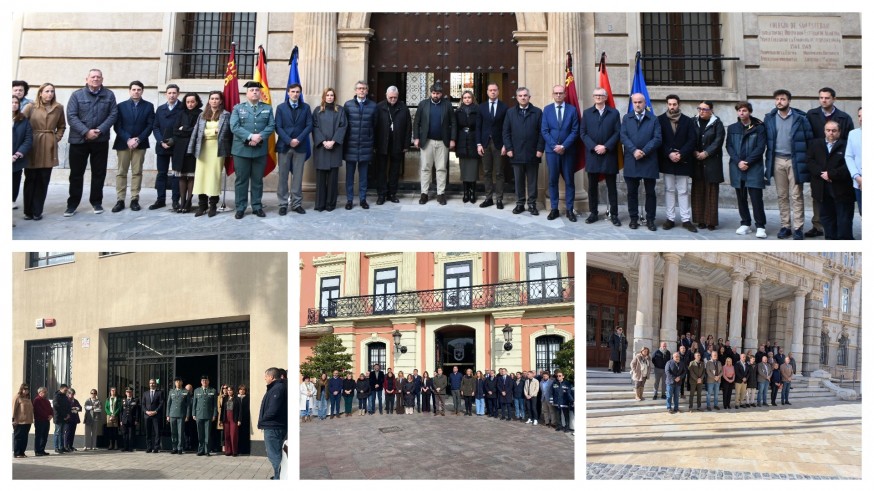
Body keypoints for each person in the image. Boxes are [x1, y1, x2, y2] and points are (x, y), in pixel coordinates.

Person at [64, 68, 117, 217]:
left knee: (99, 172)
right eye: (92, 77)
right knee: (76, 173)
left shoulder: (109, 95)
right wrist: (86, 132)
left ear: (102, 79)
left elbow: (113, 115)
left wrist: (99, 130)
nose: (95, 79)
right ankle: (72, 204)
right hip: (79, 140)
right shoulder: (77, 95)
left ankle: (96, 202)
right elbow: (71, 116)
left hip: (100, 140)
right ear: (86, 79)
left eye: (98, 77)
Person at [805, 87, 855, 237]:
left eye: (827, 97)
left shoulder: (844, 121)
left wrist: (832, 174)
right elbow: (810, 159)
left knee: (843, 216)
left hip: (840, 183)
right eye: (821, 97)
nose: (824, 100)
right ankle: (829, 236)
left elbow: (849, 160)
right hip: (821, 183)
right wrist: (821, 173)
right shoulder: (812, 117)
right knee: (826, 216)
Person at [764, 89, 814, 240]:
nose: (779, 101)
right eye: (777, 99)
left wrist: (807, 161)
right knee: (782, 195)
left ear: (789, 101)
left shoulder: (801, 118)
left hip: (795, 161)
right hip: (777, 160)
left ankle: (798, 228)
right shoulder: (769, 118)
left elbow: (809, 140)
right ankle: (785, 226)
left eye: (783, 99)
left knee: (796, 195)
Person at [230, 80, 276, 219]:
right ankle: (240, 207)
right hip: (241, 150)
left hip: (260, 149)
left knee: (257, 180)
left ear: (260, 93)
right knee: (241, 180)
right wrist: (250, 137)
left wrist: (259, 137)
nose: (255, 92)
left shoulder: (267, 108)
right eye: (252, 90)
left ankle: (257, 206)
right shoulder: (238, 108)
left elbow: (271, 125)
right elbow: (234, 127)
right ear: (247, 93)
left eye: (257, 90)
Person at [21, 83, 66, 221]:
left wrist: (55, 138)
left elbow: (62, 126)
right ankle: (28, 210)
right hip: (33, 145)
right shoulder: (30, 107)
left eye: (52, 91)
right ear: (40, 93)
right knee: (30, 179)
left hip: (48, 145)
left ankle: (37, 210)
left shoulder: (58, 108)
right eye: (47, 91)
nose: (50, 94)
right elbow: (21, 123)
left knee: (43, 179)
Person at [726, 101, 768, 238]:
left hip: (754, 167)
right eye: (739, 111)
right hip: (737, 167)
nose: (741, 113)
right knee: (741, 197)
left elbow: (760, 147)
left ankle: (760, 226)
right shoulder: (732, 128)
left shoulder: (759, 127)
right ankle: (745, 223)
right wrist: (738, 162)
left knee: (756, 198)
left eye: (744, 110)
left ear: (749, 111)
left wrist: (747, 162)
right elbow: (729, 147)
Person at [111, 80, 154, 213]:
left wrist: (138, 139)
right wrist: (128, 139)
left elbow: (150, 125)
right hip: (123, 143)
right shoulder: (121, 106)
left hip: (140, 145)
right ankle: (120, 199)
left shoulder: (148, 106)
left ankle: (134, 199)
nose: (136, 92)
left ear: (142, 91)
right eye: (134, 89)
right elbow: (117, 126)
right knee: (121, 172)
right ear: (129, 91)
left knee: (137, 172)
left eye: (139, 89)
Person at [581, 87, 622, 225]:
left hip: (609, 154)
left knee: (611, 186)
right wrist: (594, 147)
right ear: (593, 97)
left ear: (605, 97)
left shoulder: (614, 113)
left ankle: (614, 214)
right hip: (592, 154)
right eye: (596, 95)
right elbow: (583, 133)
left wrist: (605, 146)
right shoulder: (587, 113)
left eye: (601, 95)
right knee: (592, 187)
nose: (598, 97)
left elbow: (618, 132)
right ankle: (593, 213)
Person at [621, 92, 662, 230]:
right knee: (632, 192)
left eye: (640, 102)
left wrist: (643, 151)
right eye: (635, 102)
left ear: (645, 103)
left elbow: (657, 138)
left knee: (650, 192)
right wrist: (634, 150)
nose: (637, 104)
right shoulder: (626, 118)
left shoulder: (653, 119)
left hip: (649, 160)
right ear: (632, 103)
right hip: (631, 160)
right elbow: (623, 136)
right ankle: (634, 219)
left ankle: (650, 219)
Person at [657, 95, 697, 232]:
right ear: (667, 105)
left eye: (674, 104)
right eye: (670, 104)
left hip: (683, 160)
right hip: (667, 160)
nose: (672, 107)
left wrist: (681, 154)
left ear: (679, 104)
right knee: (669, 190)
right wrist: (669, 153)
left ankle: (686, 220)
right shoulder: (660, 120)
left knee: (684, 190)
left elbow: (692, 140)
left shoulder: (687, 121)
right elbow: (659, 140)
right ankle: (670, 219)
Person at [503, 86, 545, 215]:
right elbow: (506, 132)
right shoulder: (510, 112)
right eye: (520, 95)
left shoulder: (537, 112)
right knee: (519, 181)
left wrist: (540, 149)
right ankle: (520, 204)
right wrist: (509, 148)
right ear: (517, 97)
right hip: (516, 153)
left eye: (525, 95)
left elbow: (542, 133)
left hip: (533, 152)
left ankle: (532, 204)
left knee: (532, 181)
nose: (523, 97)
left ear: (529, 97)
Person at [189, 90, 231, 217]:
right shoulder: (202, 115)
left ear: (221, 101)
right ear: (209, 100)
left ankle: (213, 205)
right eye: (212, 98)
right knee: (201, 177)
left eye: (217, 98)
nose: (214, 101)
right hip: (202, 149)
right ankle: (202, 206)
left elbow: (228, 133)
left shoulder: (225, 115)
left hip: (217, 150)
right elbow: (197, 132)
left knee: (214, 177)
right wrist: (213, 132)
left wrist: (211, 133)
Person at [541, 84, 580, 221]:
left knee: (569, 180)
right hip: (552, 152)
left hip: (568, 151)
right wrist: (554, 146)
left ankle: (570, 210)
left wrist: (564, 146)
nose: (558, 95)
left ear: (565, 94)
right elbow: (544, 131)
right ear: (553, 94)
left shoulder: (572, 110)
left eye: (561, 93)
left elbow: (575, 131)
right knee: (552, 181)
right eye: (556, 93)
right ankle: (554, 209)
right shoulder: (546, 110)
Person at [413, 84, 456, 205]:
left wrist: (452, 138)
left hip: (443, 142)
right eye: (433, 93)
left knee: (441, 168)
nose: (435, 95)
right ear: (430, 93)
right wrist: (416, 138)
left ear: (441, 94)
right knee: (425, 168)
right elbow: (416, 122)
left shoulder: (447, 104)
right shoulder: (423, 104)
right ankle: (424, 194)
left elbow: (453, 122)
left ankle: (441, 194)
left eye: (438, 93)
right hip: (427, 141)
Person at [274, 83, 312, 215]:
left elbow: (309, 125)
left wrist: (298, 140)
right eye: (293, 92)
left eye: (297, 92)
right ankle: (283, 204)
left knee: (298, 176)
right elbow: (278, 127)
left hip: (300, 146)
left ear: (300, 93)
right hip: (284, 146)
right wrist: (289, 140)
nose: (295, 94)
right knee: (283, 177)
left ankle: (296, 204)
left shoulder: (306, 108)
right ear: (288, 93)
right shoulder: (281, 108)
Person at [689, 100, 726, 230]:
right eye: (700, 108)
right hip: (697, 162)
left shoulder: (717, 123)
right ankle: (700, 220)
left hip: (711, 162)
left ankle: (710, 221)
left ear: (711, 110)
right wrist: (694, 151)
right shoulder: (693, 122)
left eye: (705, 109)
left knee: (711, 192)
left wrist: (706, 153)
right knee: (698, 191)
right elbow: (690, 138)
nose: (701, 111)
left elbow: (718, 141)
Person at [374, 86, 411, 204]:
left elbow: (408, 128)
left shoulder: (404, 108)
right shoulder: (379, 107)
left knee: (395, 171)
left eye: (395, 97)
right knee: (381, 170)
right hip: (382, 143)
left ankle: (392, 193)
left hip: (398, 144)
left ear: (398, 96)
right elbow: (374, 126)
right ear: (386, 95)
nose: (393, 99)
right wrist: (374, 144)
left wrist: (406, 145)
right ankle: (381, 194)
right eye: (390, 97)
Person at [342, 80, 376, 209]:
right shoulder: (348, 105)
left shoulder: (373, 106)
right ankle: (349, 200)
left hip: (365, 145)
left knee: (363, 176)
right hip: (351, 145)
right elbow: (344, 125)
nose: (361, 91)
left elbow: (375, 125)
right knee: (349, 176)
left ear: (367, 91)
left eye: (364, 88)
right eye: (359, 88)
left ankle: (363, 199)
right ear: (355, 91)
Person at [311, 88, 347, 211]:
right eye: (328, 95)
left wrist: (333, 141)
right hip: (321, 148)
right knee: (321, 178)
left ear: (334, 97)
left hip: (334, 147)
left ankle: (331, 204)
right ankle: (320, 204)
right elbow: (314, 127)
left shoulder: (340, 110)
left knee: (332, 178)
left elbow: (343, 126)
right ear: (324, 97)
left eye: (332, 95)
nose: (330, 97)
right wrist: (323, 141)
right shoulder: (317, 111)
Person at [151, 84, 182, 210]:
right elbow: (155, 127)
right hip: (162, 146)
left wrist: (173, 141)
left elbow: (183, 128)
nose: (172, 95)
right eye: (169, 93)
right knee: (161, 174)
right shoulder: (160, 109)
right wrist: (160, 141)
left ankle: (175, 200)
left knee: (176, 174)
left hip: (177, 146)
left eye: (174, 93)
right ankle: (160, 199)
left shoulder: (182, 108)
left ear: (178, 94)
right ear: (166, 94)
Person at [477, 82, 508, 208]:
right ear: (487, 92)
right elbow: (478, 127)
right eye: (490, 90)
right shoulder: (482, 107)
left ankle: (499, 199)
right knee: (486, 172)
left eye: (495, 90)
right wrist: (478, 144)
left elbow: (506, 127)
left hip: (499, 144)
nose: (493, 92)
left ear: (498, 91)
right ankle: (488, 198)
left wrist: (506, 144)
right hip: (485, 144)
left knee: (499, 172)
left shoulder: (504, 107)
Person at [171, 92, 202, 213]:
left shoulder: (201, 114)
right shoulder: (180, 113)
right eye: (188, 102)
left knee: (191, 175)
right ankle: (182, 201)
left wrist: (184, 128)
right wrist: (186, 130)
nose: (190, 104)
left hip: (193, 147)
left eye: (192, 102)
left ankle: (189, 201)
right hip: (180, 148)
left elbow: (198, 130)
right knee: (182, 175)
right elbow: (175, 131)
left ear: (197, 102)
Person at [259, 367, 288, 480]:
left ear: (271, 377)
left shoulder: (277, 388)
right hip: (274, 426)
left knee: (274, 454)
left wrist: (263, 419)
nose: (265, 378)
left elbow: (273, 410)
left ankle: (278, 477)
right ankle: (278, 475)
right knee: (275, 453)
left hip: (273, 426)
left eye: (266, 376)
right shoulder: (276, 387)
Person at [455, 90, 481, 203]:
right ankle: (466, 192)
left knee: (473, 169)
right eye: (465, 97)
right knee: (464, 168)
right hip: (462, 140)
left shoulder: (478, 110)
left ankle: (472, 192)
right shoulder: (458, 111)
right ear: (462, 99)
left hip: (474, 139)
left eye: (469, 97)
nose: (467, 99)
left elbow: (480, 126)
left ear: (472, 98)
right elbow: (455, 127)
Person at [12, 95, 32, 224]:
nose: (14, 104)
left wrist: (18, 154)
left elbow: (28, 138)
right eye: (11, 102)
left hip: (16, 162)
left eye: (16, 102)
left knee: (12, 190)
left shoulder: (23, 120)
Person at [193, 375, 217, 456]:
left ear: (208, 381)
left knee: (207, 434)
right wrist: (193, 414)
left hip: (208, 415)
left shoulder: (213, 390)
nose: (204, 382)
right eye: (203, 380)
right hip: (199, 414)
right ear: (201, 382)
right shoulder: (197, 391)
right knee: (200, 433)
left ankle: (207, 450)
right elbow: (194, 404)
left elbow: (214, 405)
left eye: (206, 380)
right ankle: (201, 450)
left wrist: (214, 415)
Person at [845, 107, 861, 215]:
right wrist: (857, 176)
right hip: (859, 181)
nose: (861, 119)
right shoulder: (853, 134)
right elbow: (849, 156)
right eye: (859, 116)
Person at [167, 377, 191, 454]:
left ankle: (180, 447)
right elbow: (168, 404)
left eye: (179, 381)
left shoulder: (185, 391)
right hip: (172, 414)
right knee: (173, 432)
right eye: (176, 381)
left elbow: (188, 405)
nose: (177, 383)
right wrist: (168, 415)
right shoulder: (171, 392)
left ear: (181, 382)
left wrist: (187, 415)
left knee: (180, 432)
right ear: (174, 383)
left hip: (181, 414)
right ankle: (174, 447)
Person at [142, 378, 164, 452]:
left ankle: (156, 447)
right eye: (150, 383)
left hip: (156, 415)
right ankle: (149, 447)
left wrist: (155, 411)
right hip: (147, 415)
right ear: (149, 384)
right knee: (148, 432)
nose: (152, 384)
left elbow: (161, 403)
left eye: (153, 383)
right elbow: (143, 404)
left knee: (157, 432)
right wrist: (146, 411)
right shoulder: (145, 393)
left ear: (155, 384)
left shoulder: (160, 393)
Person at [12, 383, 34, 458]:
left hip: (28, 421)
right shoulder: (17, 397)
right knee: (18, 437)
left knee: (25, 438)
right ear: (21, 389)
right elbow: (13, 409)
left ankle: (22, 452)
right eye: (24, 389)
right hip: (19, 421)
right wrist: (13, 419)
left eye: (27, 389)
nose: (26, 390)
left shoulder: (28, 398)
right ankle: (17, 452)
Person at [32, 386, 52, 456]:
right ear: (40, 393)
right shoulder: (37, 400)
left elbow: (51, 409)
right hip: (39, 421)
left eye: (46, 392)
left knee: (44, 436)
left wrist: (51, 415)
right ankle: (37, 451)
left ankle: (42, 449)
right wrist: (47, 416)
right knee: (39, 436)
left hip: (46, 421)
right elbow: (38, 411)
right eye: (44, 392)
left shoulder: (47, 401)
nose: (46, 393)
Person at [222, 385, 241, 456]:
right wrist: (221, 420)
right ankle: (228, 451)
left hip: (234, 418)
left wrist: (239, 420)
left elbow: (240, 410)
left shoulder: (237, 399)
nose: (229, 391)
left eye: (231, 390)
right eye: (228, 390)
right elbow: (222, 410)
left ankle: (234, 451)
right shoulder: (225, 398)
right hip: (226, 418)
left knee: (233, 435)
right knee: (227, 435)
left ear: (233, 391)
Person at [52, 384, 71, 453]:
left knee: (62, 433)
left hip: (65, 417)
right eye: (65, 390)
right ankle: (56, 448)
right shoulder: (57, 396)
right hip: (59, 417)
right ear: (61, 389)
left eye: (67, 390)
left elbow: (68, 406)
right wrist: (65, 415)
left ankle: (62, 447)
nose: (66, 391)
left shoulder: (65, 397)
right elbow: (57, 407)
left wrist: (68, 414)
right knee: (57, 432)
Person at [119, 387, 139, 452]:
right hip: (124, 419)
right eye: (127, 392)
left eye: (130, 392)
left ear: (132, 393)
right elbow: (121, 411)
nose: (128, 393)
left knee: (131, 434)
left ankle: (130, 447)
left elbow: (137, 411)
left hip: (132, 419)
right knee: (124, 434)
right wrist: (121, 420)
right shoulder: (123, 400)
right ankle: (125, 447)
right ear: (125, 393)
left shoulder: (135, 400)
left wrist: (136, 420)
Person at [236, 385, 251, 454]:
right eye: (240, 389)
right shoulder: (236, 398)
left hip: (245, 419)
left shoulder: (247, 398)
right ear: (238, 390)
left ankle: (244, 450)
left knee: (244, 434)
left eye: (243, 389)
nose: (242, 391)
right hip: (237, 419)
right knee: (238, 434)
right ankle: (238, 449)